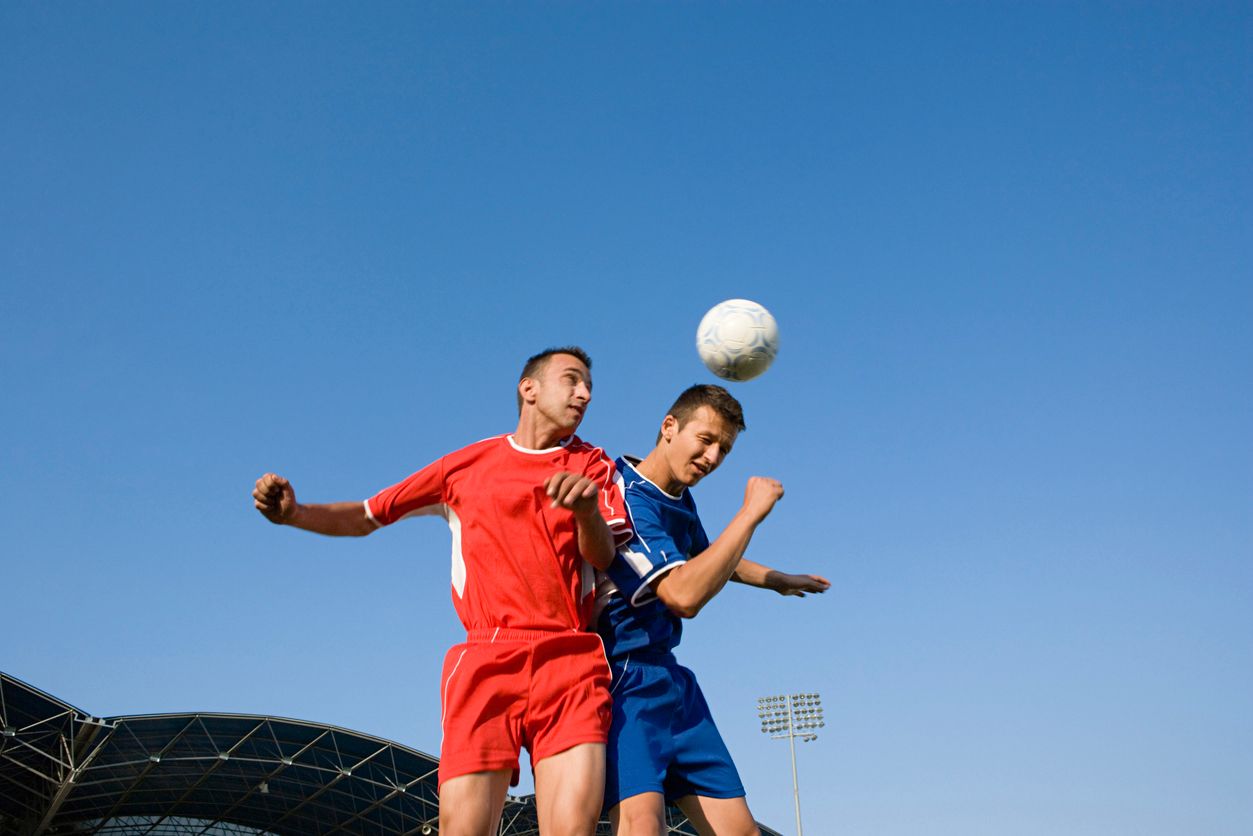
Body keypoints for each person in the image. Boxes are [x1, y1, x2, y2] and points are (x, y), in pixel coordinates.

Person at [252, 347, 633, 836]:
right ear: (529, 388)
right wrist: (295, 513)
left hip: (571, 659)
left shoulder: (594, 466)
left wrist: (585, 512)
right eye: (572, 380)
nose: (584, 394)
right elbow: (369, 515)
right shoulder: (465, 467)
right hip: (486, 659)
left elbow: (603, 557)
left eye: (589, 388)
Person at [596, 384, 830, 836]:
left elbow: (708, 558)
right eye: (705, 440)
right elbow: (683, 596)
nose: (713, 457)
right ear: (669, 427)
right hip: (622, 680)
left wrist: (776, 579)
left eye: (724, 448)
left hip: (673, 681)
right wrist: (749, 515)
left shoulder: (679, 498)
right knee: (643, 827)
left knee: (740, 831)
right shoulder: (624, 496)